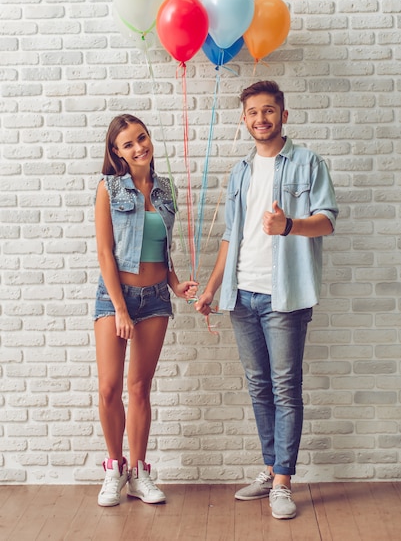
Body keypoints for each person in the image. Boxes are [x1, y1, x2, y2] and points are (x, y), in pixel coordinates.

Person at [194, 80, 338, 520]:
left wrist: (290, 226)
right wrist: (212, 287)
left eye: (270, 110)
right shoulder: (239, 170)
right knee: (259, 387)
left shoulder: (308, 162)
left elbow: (327, 222)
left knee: (284, 387)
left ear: (284, 115)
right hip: (241, 295)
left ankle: (282, 483)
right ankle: (269, 467)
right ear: (244, 119)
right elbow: (229, 236)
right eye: (254, 112)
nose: (262, 118)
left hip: (284, 296)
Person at [94, 113, 197, 508]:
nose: (140, 148)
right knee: (109, 389)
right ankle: (114, 468)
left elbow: (161, 250)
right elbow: (105, 253)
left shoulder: (166, 190)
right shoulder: (108, 187)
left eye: (142, 138)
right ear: (116, 153)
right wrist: (120, 308)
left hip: (155, 298)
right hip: (114, 297)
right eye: (128, 144)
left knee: (139, 389)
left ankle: (139, 473)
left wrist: (175, 284)